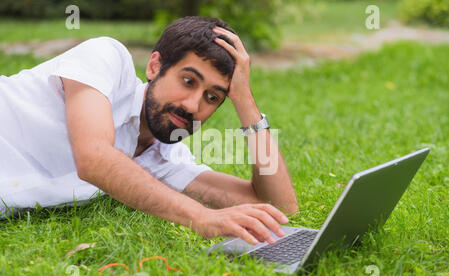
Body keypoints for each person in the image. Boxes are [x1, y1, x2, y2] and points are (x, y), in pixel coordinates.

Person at [0, 16, 298, 245]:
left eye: (213, 97)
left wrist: (245, 101)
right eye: (188, 81)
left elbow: (279, 205)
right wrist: (201, 217)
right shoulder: (106, 58)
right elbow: (94, 158)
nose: (194, 105)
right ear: (155, 66)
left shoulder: (163, 160)